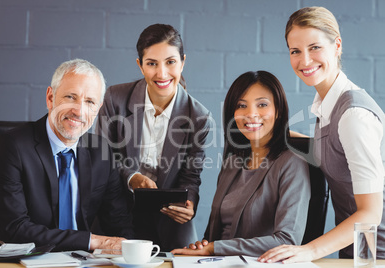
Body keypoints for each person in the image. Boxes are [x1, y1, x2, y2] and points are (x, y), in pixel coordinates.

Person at [259, 6, 385, 263]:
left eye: (314, 47)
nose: (304, 61)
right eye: (295, 51)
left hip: (378, 256)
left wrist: (309, 250)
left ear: (337, 45)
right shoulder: (327, 104)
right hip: (357, 252)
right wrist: (273, 132)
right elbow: (332, 152)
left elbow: (371, 213)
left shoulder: (353, 115)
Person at [0, 59, 134, 251]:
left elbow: (119, 224)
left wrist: (136, 250)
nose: (79, 111)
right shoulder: (12, 146)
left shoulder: (101, 151)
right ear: (50, 98)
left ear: (97, 109)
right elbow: (14, 229)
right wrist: (92, 241)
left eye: (89, 102)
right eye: (70, 97)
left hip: (81, 262)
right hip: (24, 260)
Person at [96, 24, 211, 251]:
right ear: (140, 66)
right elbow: (101, 157)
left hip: (169, 221)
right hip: (116, 212)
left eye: (170, 62)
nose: (162, 74)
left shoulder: (199, 117)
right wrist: (132, 177)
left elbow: (191, 176)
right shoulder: (114, 99)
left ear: (183, 62)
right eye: (151, 64)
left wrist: (190, 203)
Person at [171, 71, 311, 256]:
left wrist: (215, 248)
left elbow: (287, 240)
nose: (251, 114)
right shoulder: (233, 162)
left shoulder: (292, 164)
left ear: (278, 111)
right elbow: (216, 235)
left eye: (262, 104)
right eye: (241, 106)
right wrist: (204, 246)